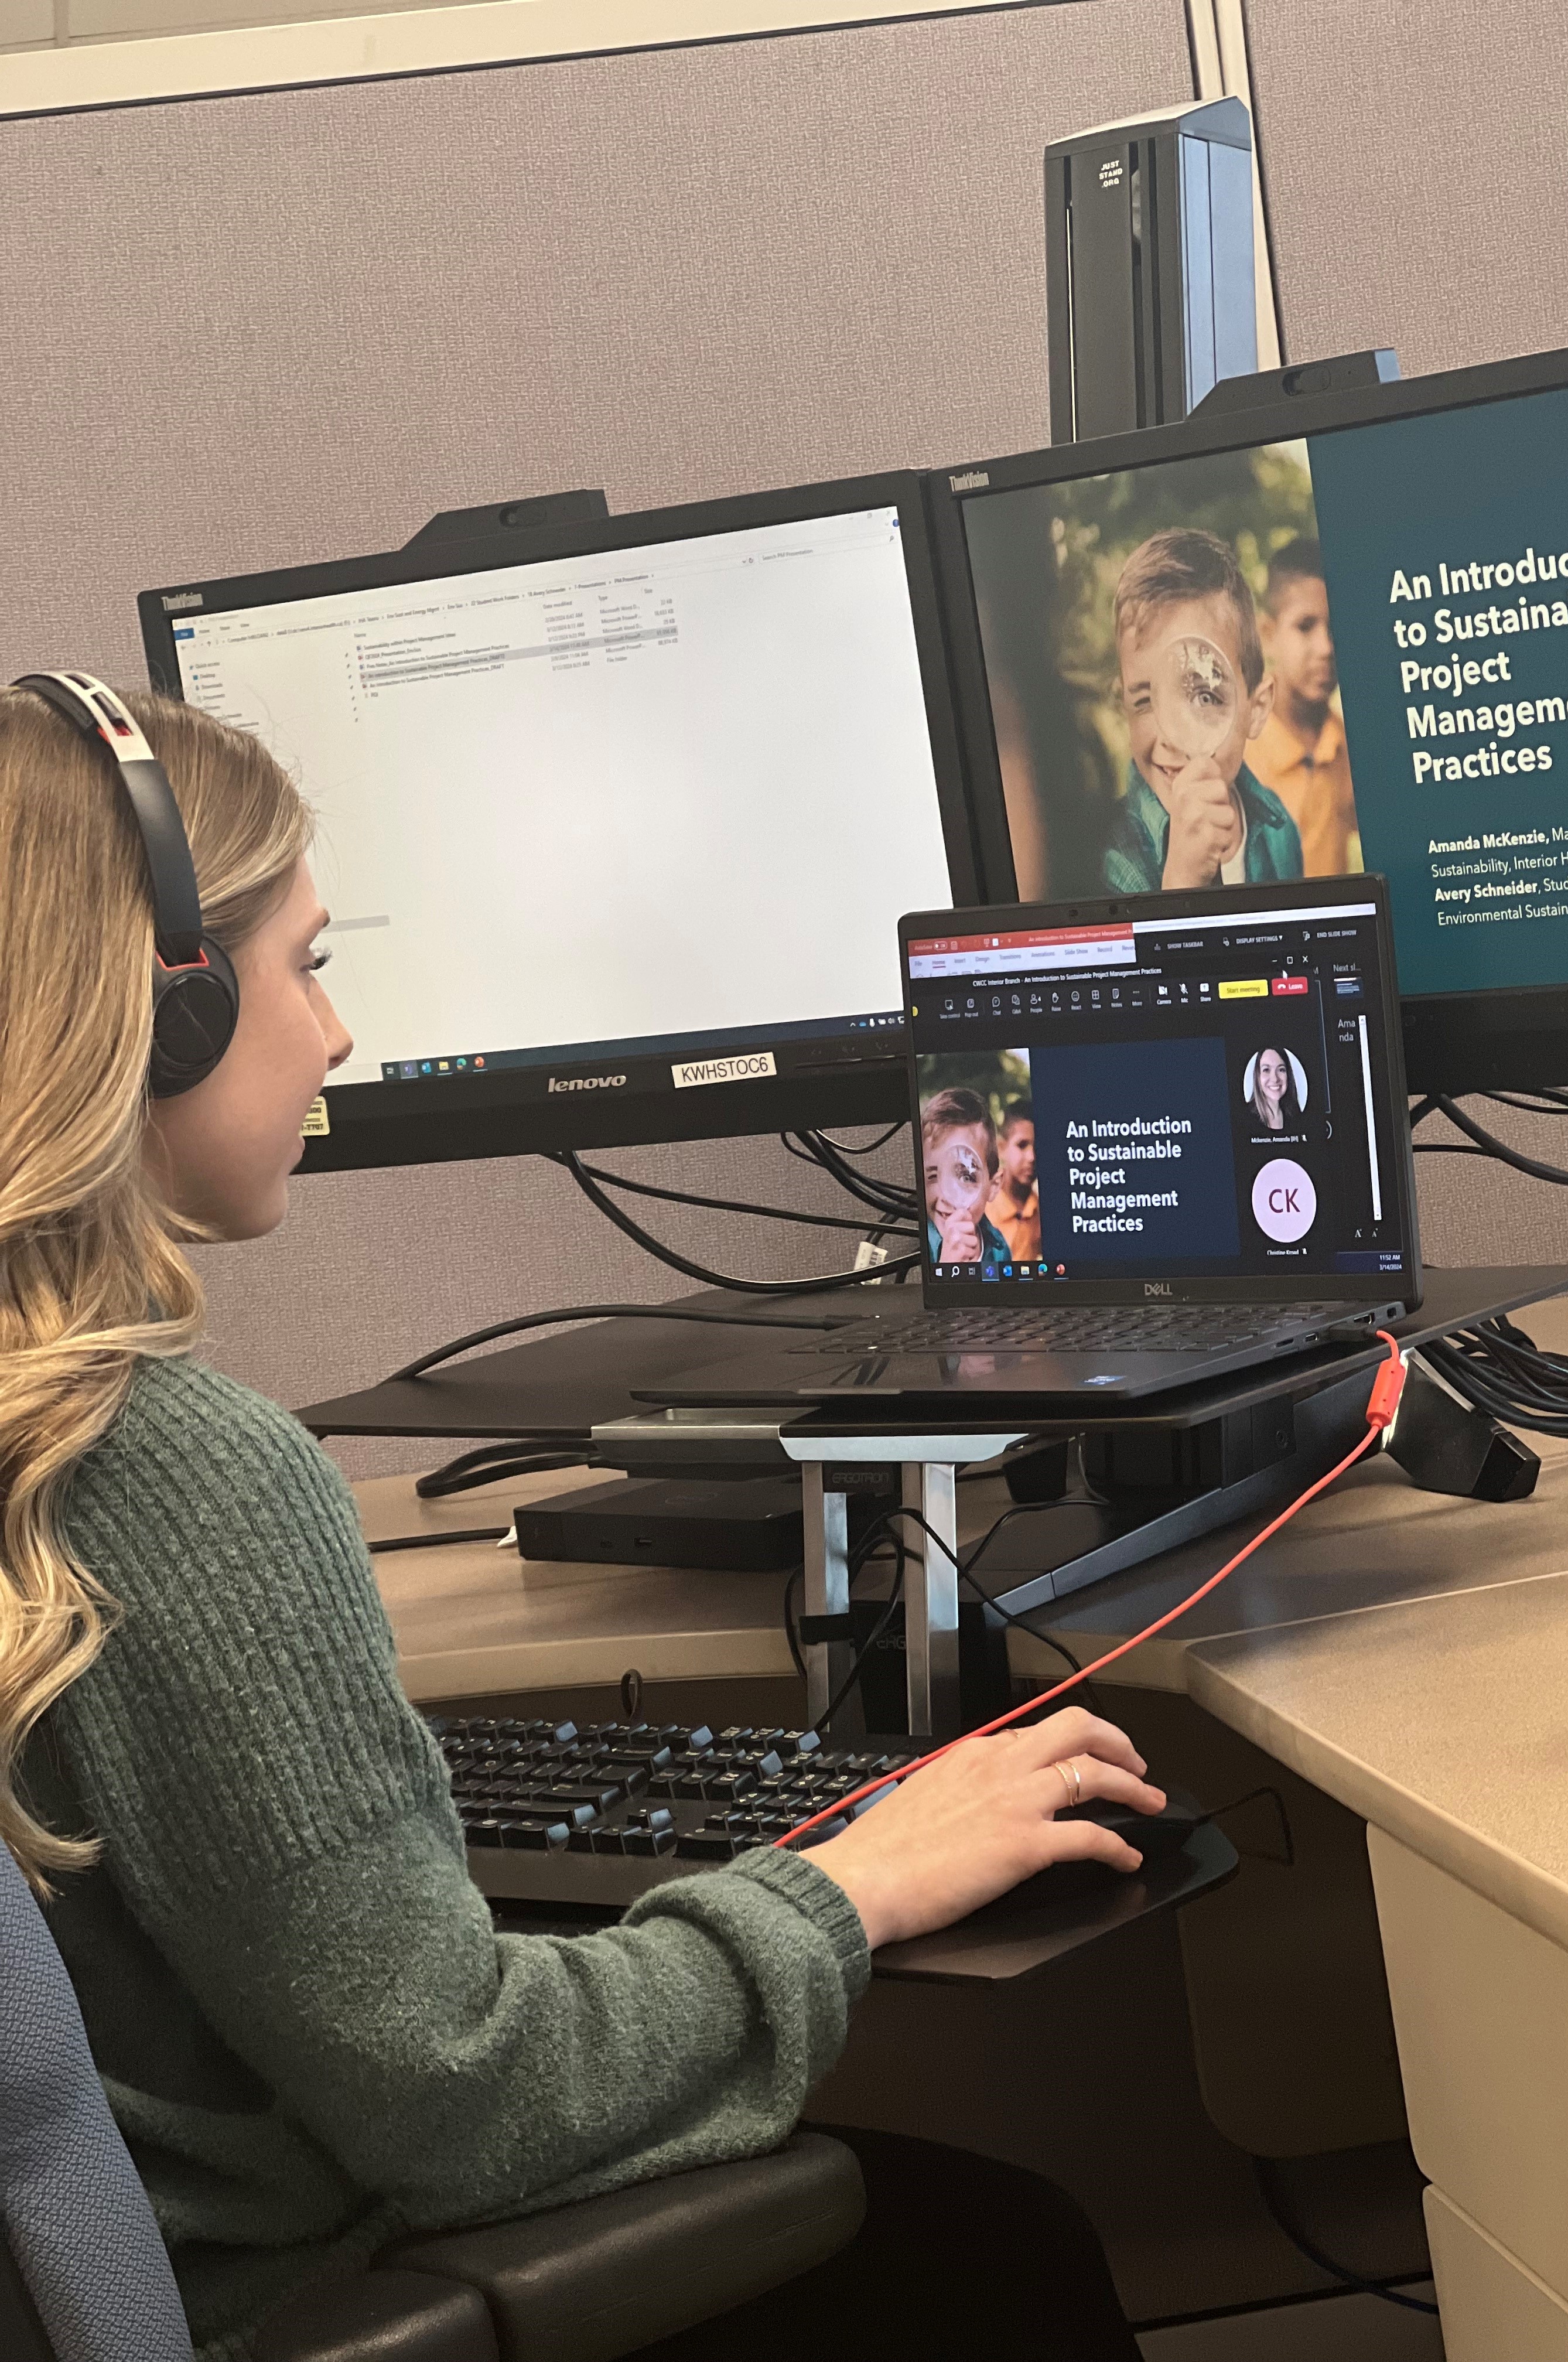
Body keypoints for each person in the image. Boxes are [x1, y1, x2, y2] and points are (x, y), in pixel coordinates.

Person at [0, 682, 1164, 2362]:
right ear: (161, 1011)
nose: (335, 1038)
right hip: (285, 2304)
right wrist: (852, 1881)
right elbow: (467, 2098)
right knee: (998, 2260)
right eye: (308, 966)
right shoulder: (172, 1472)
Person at [1104, 527, 1303, 894]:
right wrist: (1181, 882)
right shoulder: (1111, 864)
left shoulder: (1280, 831)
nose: (1170, 736)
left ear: (1257, 709)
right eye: (1146, 700)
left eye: (1205, 697)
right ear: (1125, 705)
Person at [1242, 536, 1360, 876]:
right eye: (1305, 627)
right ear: (1267, 633)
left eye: (1336, 628)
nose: (1326, 647)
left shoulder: (1347, 747)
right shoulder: (1237, 751)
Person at [921, 1085, 1014, 1269]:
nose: (947, 1196)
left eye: (966, 1177)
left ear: (994, 1186)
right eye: (934, 1176)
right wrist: (946, 1267)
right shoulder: (916, 1249)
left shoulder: (1000, 1249)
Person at [985, 1098, 1041, 1263]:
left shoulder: (1039, 1211)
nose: (1032, 1157)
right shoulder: (982, 1207)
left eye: (1038, 1147)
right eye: (1022, 1145)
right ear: (1001, 1148)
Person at [1249, 1046, 1292, 1131]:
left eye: (1281, 1070)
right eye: (1266, 1070)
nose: (1275, 1079)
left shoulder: (1295, 1115)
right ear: (1258, 1076)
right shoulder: (1245, 1118)